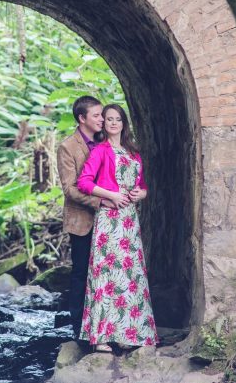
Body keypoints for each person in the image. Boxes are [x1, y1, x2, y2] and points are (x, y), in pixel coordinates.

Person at [76, 104, 158, 353]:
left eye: (117, 119)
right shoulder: (100, 150)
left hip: (129, 220)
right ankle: (101, 337)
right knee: (106, 275)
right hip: (109, 220)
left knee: (130, 276)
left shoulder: (133, 152)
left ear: (124, 123)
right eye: (109, 119)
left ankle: (126, 333)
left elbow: (142, 186)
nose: (113, 123)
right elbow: (84, 182)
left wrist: (141, 194)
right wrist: (110, 195)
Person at [56, 95, 105, 342]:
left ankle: (105, 323)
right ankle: (78, 327)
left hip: (109, 219)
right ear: (82, 118)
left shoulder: (106, 141)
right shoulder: (68, 147)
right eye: (96, 115)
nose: (102, 119)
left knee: (106, 271)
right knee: (81, 272)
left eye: (102, 114)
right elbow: (69, 189)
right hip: (82, 220)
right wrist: (99, 201)